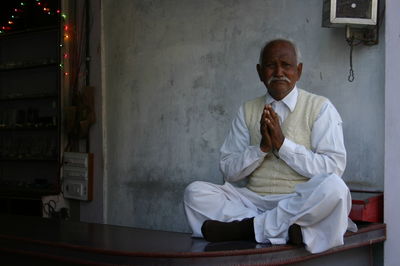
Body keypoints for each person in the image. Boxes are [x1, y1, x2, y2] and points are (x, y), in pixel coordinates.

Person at [183, 38, 357, 254]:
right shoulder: (247, 109)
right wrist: (262, 148)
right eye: (270, 65)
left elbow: (333, 168)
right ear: (259, 72)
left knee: (335, 189)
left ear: (299, 71)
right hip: (252, 202)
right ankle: (283, 232)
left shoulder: (320, 107)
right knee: (195, 193)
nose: (278, 72)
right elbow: (229, 171)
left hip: (298, 202)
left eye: (286, 65)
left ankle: (247, 229)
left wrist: (283, 145)